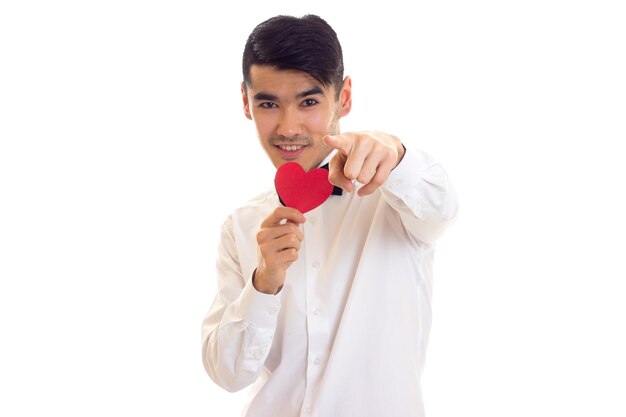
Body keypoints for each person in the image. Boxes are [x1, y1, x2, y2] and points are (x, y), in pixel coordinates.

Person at [201, 14, 458, 417]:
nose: (288, 127)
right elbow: (227, 373)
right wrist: (264, 284)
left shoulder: (395, 197)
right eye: (268, 103)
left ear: (344, 96)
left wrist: (396, 153)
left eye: (309, 101)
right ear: (246, 103)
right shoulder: (241, 225)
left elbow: (442, 208)